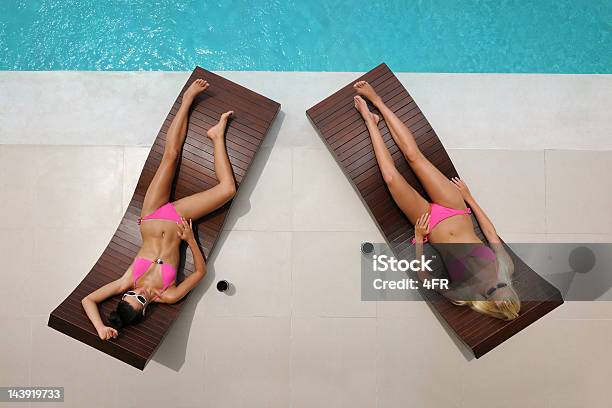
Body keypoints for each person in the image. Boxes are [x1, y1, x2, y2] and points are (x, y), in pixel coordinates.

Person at [82, 79, 237, 339]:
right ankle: (216, 135)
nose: (140, 293)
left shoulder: (127, 281)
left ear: (126, 294)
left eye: (132, 295)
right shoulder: (168, 295)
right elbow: (200, 272)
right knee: (228, 190)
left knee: (171, 155)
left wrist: (100, 328)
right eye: (140, 301)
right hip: (179, 221)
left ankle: (187, 99)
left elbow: (88, 300)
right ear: (144, 311)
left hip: (152, 217)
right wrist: (190, 240)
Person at [353, 80, 519, 320]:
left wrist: (419, 240)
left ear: (490, 304)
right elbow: (491, 234)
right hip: (457, 210)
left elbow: (426, 279)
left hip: (428, 225)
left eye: (494, 292)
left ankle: (371, 122)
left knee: (391, 178)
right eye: (503, 288)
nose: (497, 286)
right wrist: (469, 198)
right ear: (510, 289)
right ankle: (377, 100)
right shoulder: (506, 269)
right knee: (413, 156)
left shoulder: (465, 293)